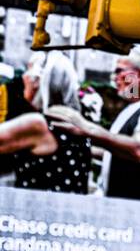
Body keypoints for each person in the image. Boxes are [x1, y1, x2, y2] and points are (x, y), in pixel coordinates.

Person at [48, 51, 140, 203]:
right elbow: (115, 152)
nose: (114, 78)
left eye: (120, 71)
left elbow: (139, 149)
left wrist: (87, 129)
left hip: (132, 209)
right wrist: (77, 148)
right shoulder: (132, 108)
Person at [15, 51, 92, 193]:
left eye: (28, 70)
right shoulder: (72, 123)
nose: (24, 77)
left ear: (37, 82)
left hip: (36, 211)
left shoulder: (37, 124)